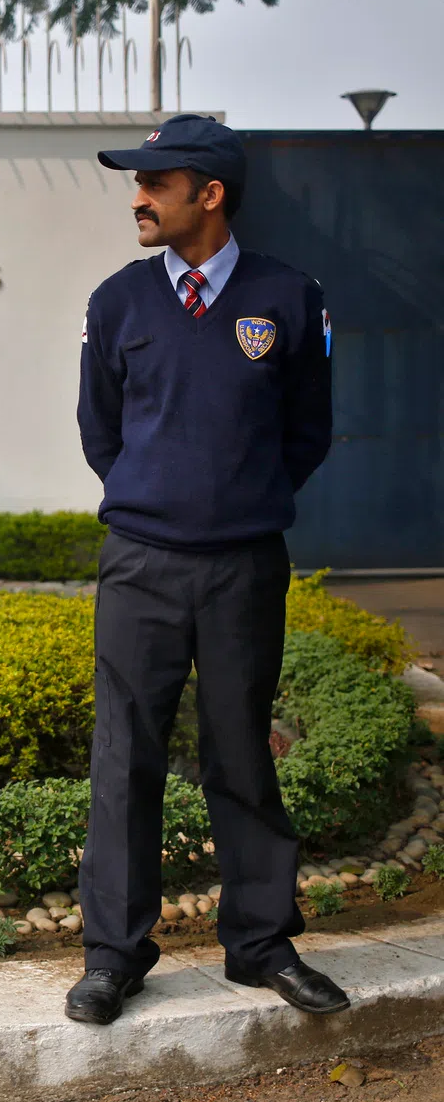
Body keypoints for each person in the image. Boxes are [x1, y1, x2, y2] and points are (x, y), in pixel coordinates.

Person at [67, 114, 345, 1026]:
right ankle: (114, 955)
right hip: (142, 565)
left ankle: (260, 946)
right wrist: (160, 500)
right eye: (136, 183)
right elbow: (100, 431)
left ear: (209, 194)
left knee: (242, 752)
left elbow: (307, 431)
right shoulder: (118, 302)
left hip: (245, 569)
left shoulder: (290, 298)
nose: (138, 198)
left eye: (155, 182)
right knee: (125, 758)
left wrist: (239, 502)